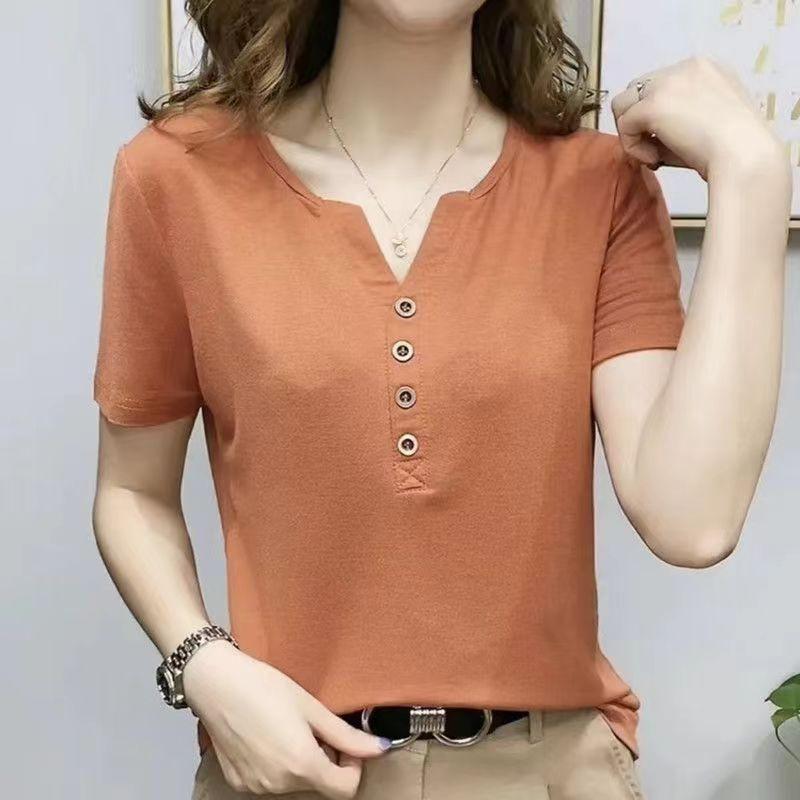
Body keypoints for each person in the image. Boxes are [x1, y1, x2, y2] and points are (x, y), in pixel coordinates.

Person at [90, 1, 793, 798]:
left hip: (547, 772)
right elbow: (131, 493)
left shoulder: (598, 187)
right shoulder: (176, 178)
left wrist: (753, 174)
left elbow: (693, 519)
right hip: (301, 772)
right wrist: (203, 665)